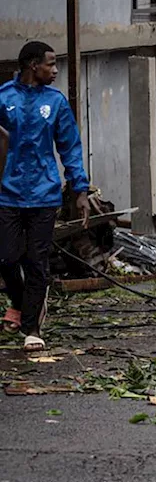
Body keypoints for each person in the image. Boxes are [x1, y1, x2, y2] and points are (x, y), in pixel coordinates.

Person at [0, 41, 90, 352]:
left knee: (35, 261)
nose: (55, 71)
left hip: (44, 194)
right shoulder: (3, 98)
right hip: (7, 194)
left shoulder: (55, 102)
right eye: (50, 64)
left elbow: (70, 147)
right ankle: (22, 304)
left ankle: (31, 329)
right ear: (32, 65)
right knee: (7, 258)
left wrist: (80, 189)